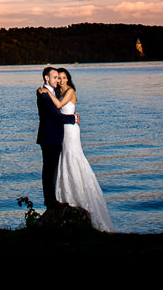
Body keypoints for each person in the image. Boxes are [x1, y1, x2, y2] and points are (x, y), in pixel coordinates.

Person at [38, 67, 114, 231]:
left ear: (68, 79)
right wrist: (45, 90)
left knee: (73, 158)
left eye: (63, 77)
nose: (60, 80)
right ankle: (61, 197)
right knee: (61, 163)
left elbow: (58, 107)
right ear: (49, 79)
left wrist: (72, 117)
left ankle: (78, 196)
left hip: (70, 130)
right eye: (58, 77)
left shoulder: (67, 91)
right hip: (59, 133)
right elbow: (57, 112)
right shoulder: (50, 93)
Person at [35, 67, 78, 210]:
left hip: (55, 137)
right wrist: (73, 118)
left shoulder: (51, 92)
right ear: (47, 78)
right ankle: (50, 200)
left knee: (52, 169)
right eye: (55, 77)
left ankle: (53, 199)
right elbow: (57, 116)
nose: (58, 80)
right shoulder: (44, 95)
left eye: (59, 78)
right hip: (49, 137)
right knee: (49, 170)